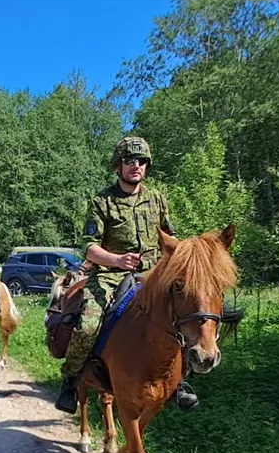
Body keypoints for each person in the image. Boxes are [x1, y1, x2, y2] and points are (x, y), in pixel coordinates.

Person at [55, 136, 198, 413]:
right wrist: (117, 259)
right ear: (118, 165)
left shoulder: (156, 198)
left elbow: (171, 237)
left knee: (185, 316)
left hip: (154, 274)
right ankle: (71, 380)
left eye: (142, 161)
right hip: (110, 276)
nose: (136, 166)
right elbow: (89, 247)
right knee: (87, 325)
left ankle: (179, 381)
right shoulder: (101, 201)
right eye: (130, 161)